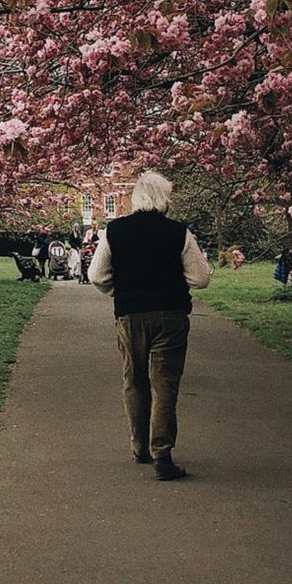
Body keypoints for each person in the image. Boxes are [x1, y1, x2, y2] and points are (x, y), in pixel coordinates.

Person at [88, 172, 210, 481]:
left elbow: (97, 276)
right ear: (163, 198)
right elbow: (200, 278)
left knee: (135, 380)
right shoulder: (179, 233)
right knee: (164, 383)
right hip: (170, 315)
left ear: (136, 198)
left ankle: (139, 446)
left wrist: (123, 293)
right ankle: (163, 455)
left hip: (130, 316)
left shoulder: (114, 231)